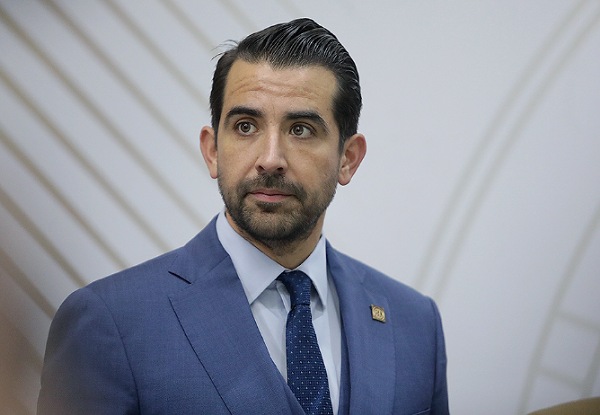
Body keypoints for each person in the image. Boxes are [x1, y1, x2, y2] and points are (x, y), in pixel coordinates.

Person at [37, 18, 449, 415]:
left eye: (301, 129)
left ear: (348, 158)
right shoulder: (110, 323)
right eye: (246, 126)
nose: (270, 159)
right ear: (212, 150)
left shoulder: (415, 324)